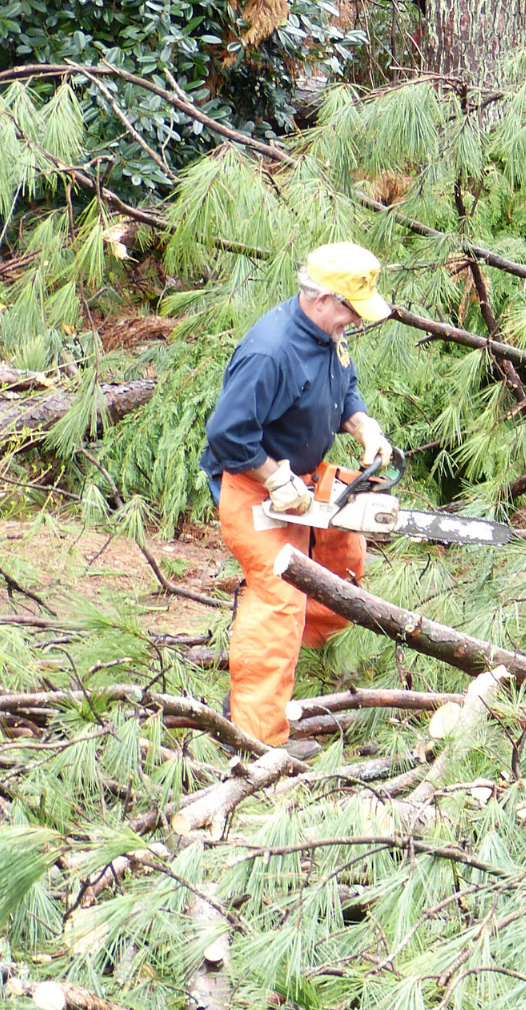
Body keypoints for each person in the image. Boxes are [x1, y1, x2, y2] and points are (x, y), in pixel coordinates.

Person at [200, 242, 396, 752]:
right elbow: (226, 436)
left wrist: (363, 426)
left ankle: (316, 663)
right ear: (321, 298)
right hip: (251, 484)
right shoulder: (271, 351)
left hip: (306, 475)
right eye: (350, 311)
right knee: (278, 596)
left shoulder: (330, 334)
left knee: (341, 557)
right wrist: (272, 478)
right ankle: (256, 735)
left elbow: (344, 386)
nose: (354, 321)